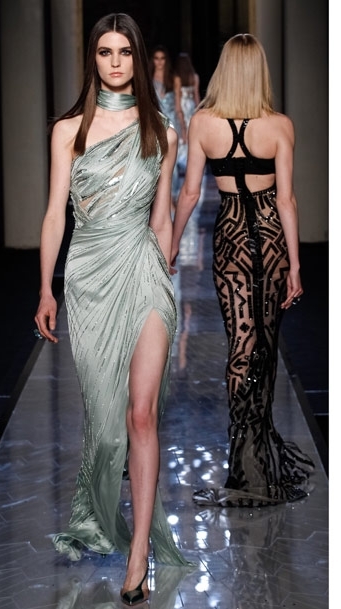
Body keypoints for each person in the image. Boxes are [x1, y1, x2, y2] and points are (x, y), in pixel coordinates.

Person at [34, 12, 195, 606]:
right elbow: (55, 214)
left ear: (137, 57)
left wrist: (164, 272)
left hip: (144, 272)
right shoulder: (68, 131)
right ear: (94, 59)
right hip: (88, 276)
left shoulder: (161, 133)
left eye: (124, 52)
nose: (116, 62)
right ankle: (109, 519)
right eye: (105, 52)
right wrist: (46, 288)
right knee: (105, 426)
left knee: (141, 415)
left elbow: (161, 216)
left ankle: (138, 553)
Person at [171, 33, 315, 508]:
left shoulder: (203, 122)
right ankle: (258, 464)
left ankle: (246, 464)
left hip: (231, 239)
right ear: (259, 72)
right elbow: (286, 200)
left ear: (224, 70)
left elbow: (190, 193)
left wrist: (171, 245)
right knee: (265, 350)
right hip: (270, 240)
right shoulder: (279, 125)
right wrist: (295, 263)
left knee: (241, 347)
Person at [149, 45, 184, 205]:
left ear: (166, 60)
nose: (159, 62)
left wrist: (184, 129)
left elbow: (178, 107)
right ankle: (159, 199)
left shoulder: (174, 79)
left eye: (162, 58)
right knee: (155, 161)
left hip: (172, 124)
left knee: (172, 164)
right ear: (152, 60)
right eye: (156, 58)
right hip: (153, 124)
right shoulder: (147, 79)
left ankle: (170, 198)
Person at [173, 52, 200, 181]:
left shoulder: (177, 78)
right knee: (191, 136)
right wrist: (198, 112)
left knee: (183, 137)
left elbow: (177, 101)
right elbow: (197, 97)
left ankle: (183, 168)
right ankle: (191, 167)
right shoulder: (194, 77)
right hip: (191, 107)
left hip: (182, 106)